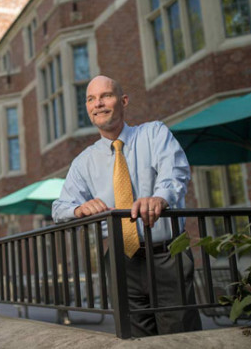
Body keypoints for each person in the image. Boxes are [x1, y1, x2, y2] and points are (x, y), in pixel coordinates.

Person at [52, 75, 201, 337]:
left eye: (105, 96)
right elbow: (59, 208)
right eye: (90, 99)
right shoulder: (83, 162)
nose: (98, 104)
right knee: (133, 339)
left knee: (180, 337)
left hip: (167, 255)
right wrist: (77, 210)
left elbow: (175, 171)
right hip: (122, 261)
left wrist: (161, 197)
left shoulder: (154, 133)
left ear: (123, 101)